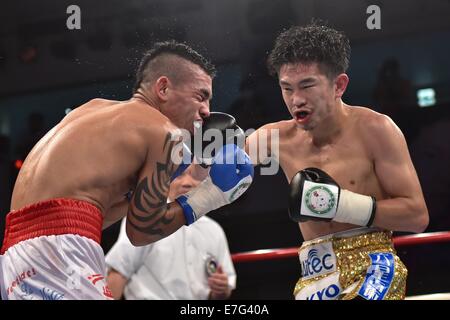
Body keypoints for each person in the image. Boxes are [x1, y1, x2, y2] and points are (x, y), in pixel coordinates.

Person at [0, 40, 253, 300]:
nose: (206, 111)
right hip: (61, 251)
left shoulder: (92, 108)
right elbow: (142, 231)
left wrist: (171, 175)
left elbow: (94, 215)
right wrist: (210, 196)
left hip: (16, 254)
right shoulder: (164, 132)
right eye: (201, 96)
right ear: (163, 87)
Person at [246, 24, 429, 300]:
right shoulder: (274, 138)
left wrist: (339, 205)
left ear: (339, 85)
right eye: (287, 88)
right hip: (313, 276)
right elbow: (218, 177)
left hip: (374, 266)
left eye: (307, 85)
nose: (296, 99)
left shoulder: (376, 130)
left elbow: (417, 216)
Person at [106, 166, 236, 300]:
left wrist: (220, 289)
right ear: (167, 179)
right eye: (180, 175)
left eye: (195, 176)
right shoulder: (148, 217)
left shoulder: (214, 230)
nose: (187, 182)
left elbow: (223, 292)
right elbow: (118, 272)